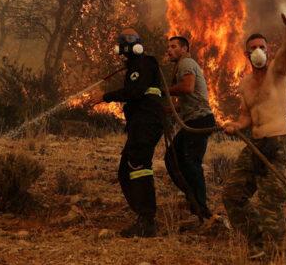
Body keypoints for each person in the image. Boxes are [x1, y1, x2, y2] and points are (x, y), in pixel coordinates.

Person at [222, 9, 286, 258]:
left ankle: (278, 258)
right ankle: (258, 242)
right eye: (253, 47)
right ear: (246, 54)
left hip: (276, 144)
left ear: (268, 51)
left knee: (270, 204)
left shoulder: (278, 72)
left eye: (262, 46)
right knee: (232, 195)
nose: (258, 50)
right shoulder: (245, 83)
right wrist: (235, 126)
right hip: (254, 145)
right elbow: (246, 116)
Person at [89, 28, 165, 237]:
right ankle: (142, 214)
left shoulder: (144, 63)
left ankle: (147, 221)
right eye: (124, 41)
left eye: (130, 39)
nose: (126, 44)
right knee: (125, 171)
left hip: (147, 120)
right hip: (140, 122)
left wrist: (105, 97)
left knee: (138, 164)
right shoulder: (135, 66)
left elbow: (135, 92)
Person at [163, 36, 217, 224]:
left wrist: (163, 90)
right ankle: (193, 200)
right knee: (173, 158)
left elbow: (187, 87)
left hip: (199, 121)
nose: (169, 50)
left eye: (173, 46)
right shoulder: (182, 66)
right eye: (168, 47)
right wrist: (164, 109)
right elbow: (184, 103)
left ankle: (201, 208)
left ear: (185, 48)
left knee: (190, 162)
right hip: (194, 120)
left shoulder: (186, 63)